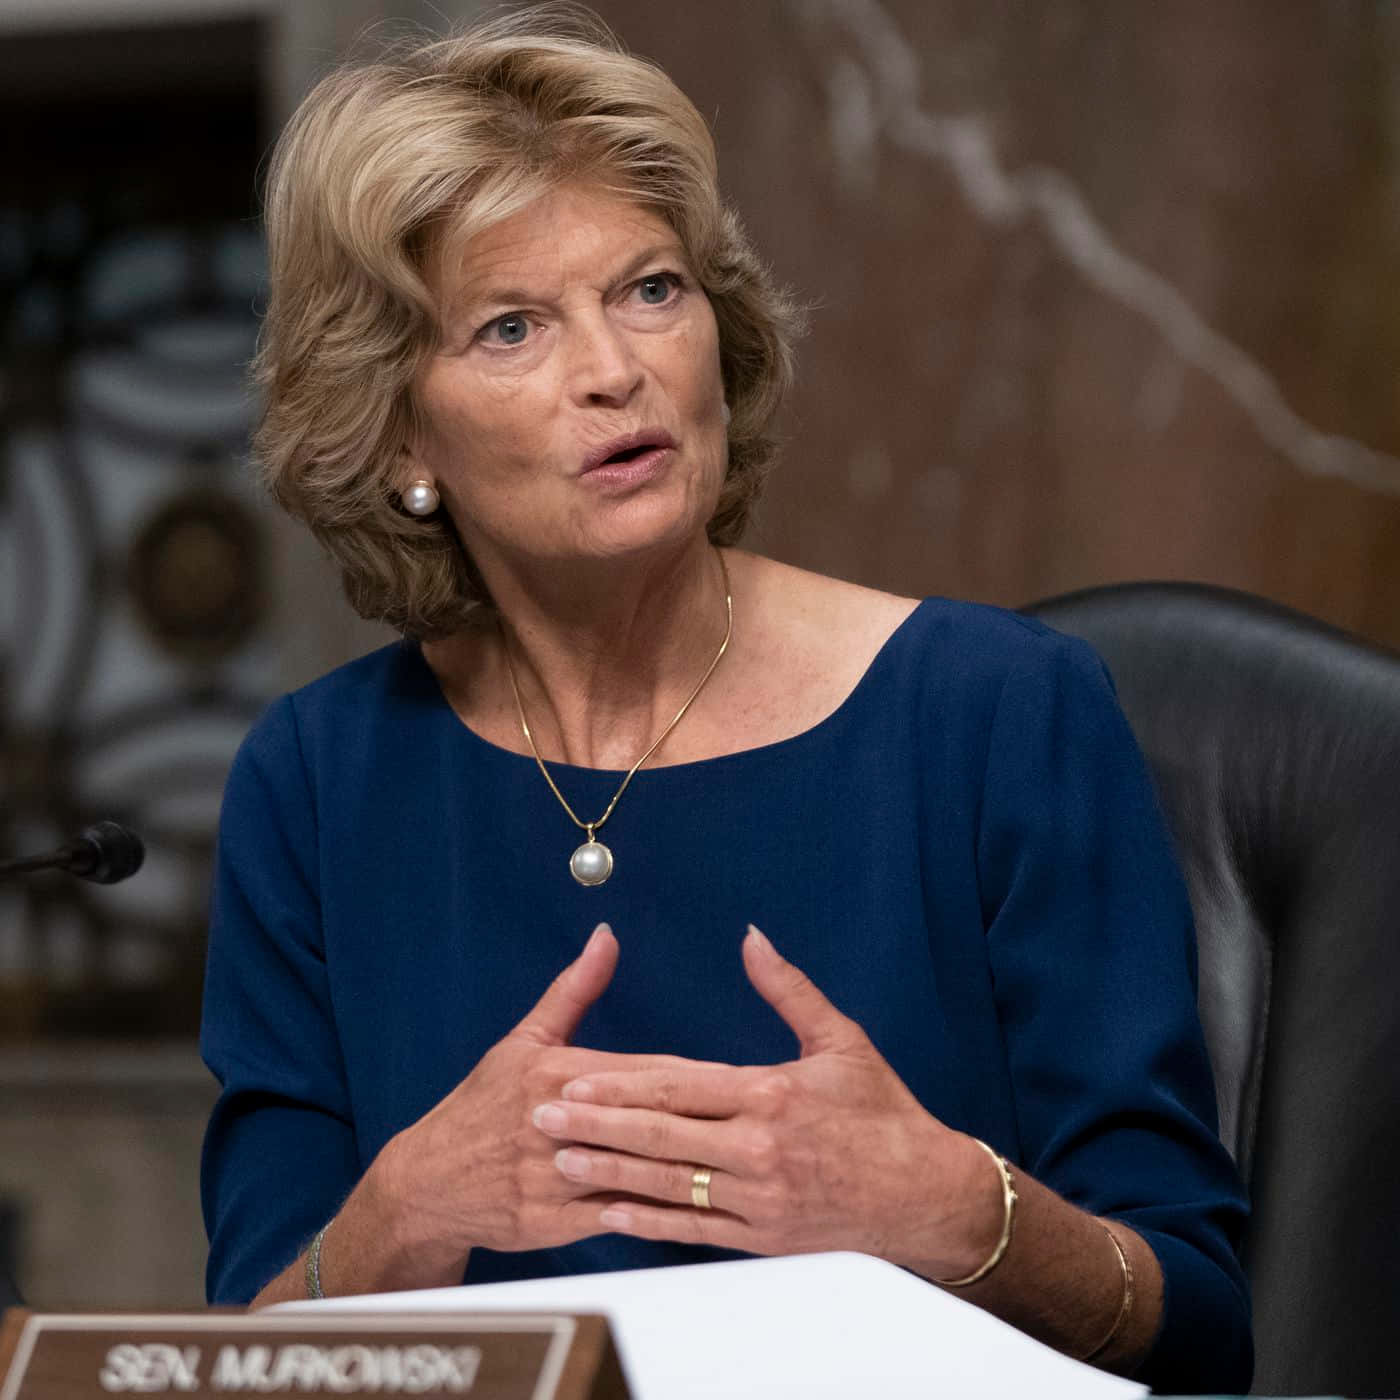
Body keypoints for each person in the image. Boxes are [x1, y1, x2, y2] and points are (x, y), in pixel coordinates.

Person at [200, 8, 1251, 1392]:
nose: (615, 370)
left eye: (649, 290)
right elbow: (236, 1360)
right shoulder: (317, 782)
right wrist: (405, 1218)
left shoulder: (1000, 714)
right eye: (513, 326)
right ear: (402, 436)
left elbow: (1200, 1328)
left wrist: (962, 1219)